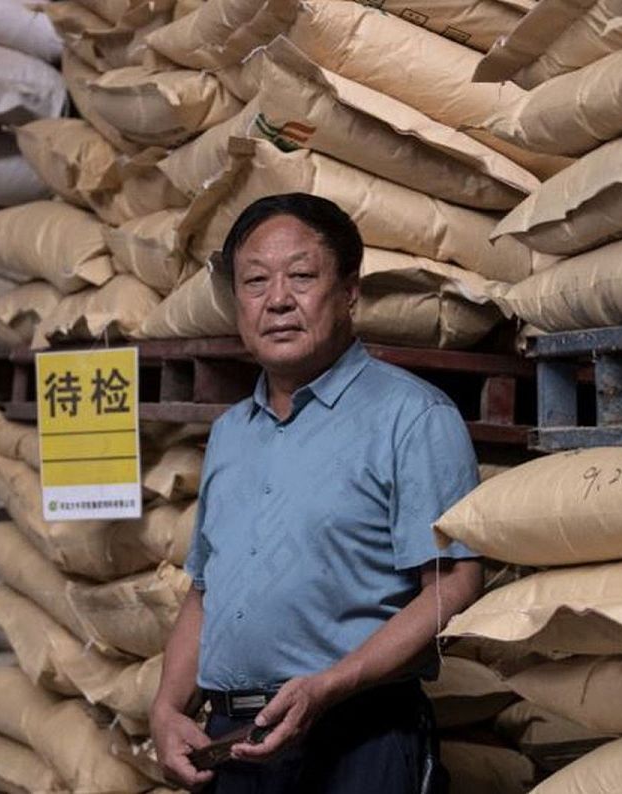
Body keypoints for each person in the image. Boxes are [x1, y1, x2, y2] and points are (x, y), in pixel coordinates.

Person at [149, 193, 484, 794]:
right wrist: (168, 709)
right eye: (255, 281)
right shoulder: (230, 435)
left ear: (350, 292)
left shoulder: (412, 416)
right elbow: (206, 590)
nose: (277, 299)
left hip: (357, 734)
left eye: (302, 276)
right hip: (233, 741)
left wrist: (330, 686)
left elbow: (455, 583)